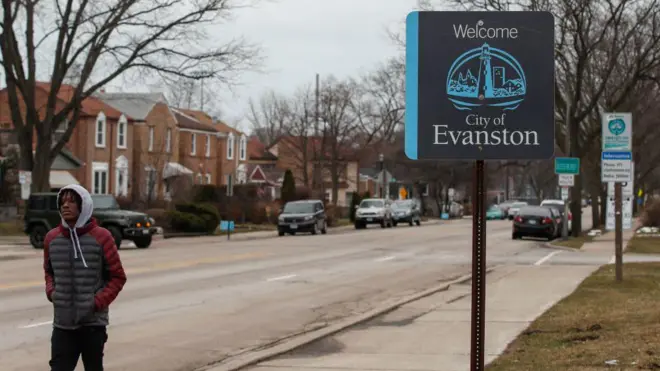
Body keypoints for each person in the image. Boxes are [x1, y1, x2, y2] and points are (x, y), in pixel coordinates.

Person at [43, 184, 127, 371]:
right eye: (62, 201)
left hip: (92, 324)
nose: (66, 205)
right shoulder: (51, 239)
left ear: (84, 206)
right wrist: (52, 292)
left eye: (72, 201)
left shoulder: (102, 237)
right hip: (62, 324)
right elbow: (49, 272)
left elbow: (117, 277)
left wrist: (96, 302)